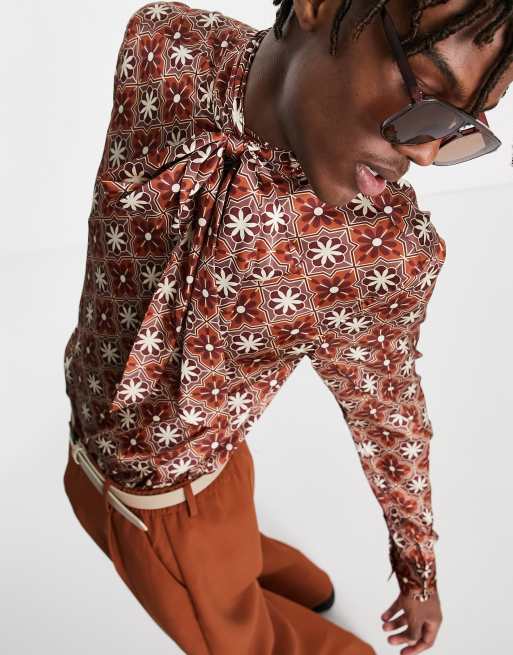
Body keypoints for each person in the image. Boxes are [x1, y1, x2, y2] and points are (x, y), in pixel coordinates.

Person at [61, 1, 513, 653]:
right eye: (423, 89)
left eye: (461, 127)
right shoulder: (162, 47)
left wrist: (417, 567)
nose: (423, 150)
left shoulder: (372, 255)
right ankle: (279, 573)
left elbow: (390, 415)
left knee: (240, 640)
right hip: (113, 433)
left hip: (165, 500)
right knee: (231, 547)